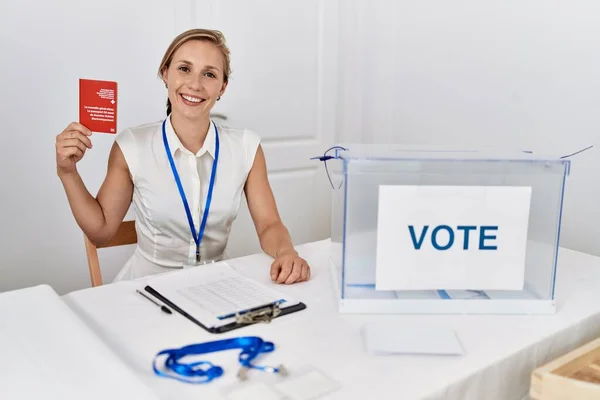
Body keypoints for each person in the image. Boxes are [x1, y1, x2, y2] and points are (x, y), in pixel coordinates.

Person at [55, 28, 310, 284]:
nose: (195, 84)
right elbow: (100, 232)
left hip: (217, 285)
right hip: (147, 290)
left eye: (209, 74)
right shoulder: (131, 146)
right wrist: (68, 172)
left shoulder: (246, 146)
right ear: (165, 74)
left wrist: (287, 252)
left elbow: (269, 225)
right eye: (184, 69)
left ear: (222, 87)